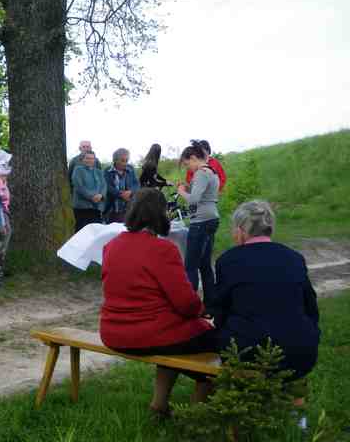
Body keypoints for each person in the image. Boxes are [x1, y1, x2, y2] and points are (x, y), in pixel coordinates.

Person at [100, 188, 217, 415]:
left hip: (112, 332)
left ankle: (160, 405)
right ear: (161, 214)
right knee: (212, 345)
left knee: (173, 336)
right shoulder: (163, 249)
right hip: (147, 334)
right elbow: (186, 304)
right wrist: (202, 309)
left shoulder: (111, 245)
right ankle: (195, 419)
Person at [212, 201, 319, 382]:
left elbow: (220, 310)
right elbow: (311, 307)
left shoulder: (228, 260)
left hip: (247, 352)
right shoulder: (294, 258)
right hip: (300, 351)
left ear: (240, 231)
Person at [177, 143, 220, 305]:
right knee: (205, 264)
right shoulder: (211, 171)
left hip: (200, 221)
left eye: (187, 164)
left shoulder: (201, 173)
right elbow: (204, 195)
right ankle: (210, 303)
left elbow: (194, 200)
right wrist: (190, 188)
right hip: (211, 218)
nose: (188, 168)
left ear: (194, 158)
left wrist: (182, 192)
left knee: (191, 265)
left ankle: (191, 304)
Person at [71, 151, 106, 231]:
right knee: (82, 231)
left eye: (92, 158)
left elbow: (104, 185)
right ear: (83, 159)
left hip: (97, 207)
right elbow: (79, 186)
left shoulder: (99, 172)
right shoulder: (78, 170)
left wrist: (101, 195)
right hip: (82, 207)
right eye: (87, 158)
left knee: (96, 230)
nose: (90, 160)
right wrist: (91, 197)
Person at [104, 148, 139, 223]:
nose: (125, 163)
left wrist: (130, 192)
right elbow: (107, 187)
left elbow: (136, 184)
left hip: (129, 207)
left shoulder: (131, 169)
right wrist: (121, 194)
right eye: (122, 160)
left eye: (127, 160)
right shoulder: (107, 171)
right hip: (113, 208)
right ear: (115, 160)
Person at [0, 150, 12, 254]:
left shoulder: (3, 179)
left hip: (3, 209)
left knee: (6, 231)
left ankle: (0, 252)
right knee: (5, 231)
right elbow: (0, 196)